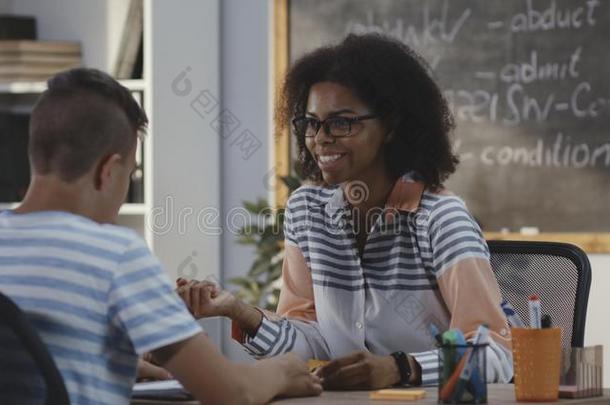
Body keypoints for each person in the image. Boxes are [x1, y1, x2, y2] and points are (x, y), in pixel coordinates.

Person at [177, 33, 513, 389]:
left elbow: (497, 352)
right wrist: (239, 312)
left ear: (391, 125)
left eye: (342, 122)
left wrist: (400, 368)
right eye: (311, 123)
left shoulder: (441, 219)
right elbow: (311, 342)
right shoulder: (307, 212)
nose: (321, 138)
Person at [0, 68, 321, 405]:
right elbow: (232, 393)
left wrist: (124, 364)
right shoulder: (116, 254)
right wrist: (283, 370)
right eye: (130, 174)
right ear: (108, 171)